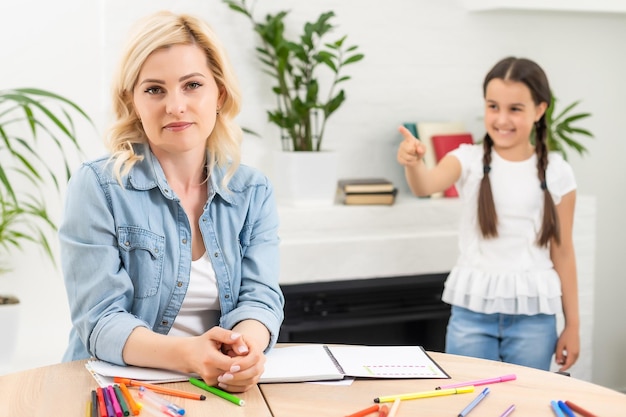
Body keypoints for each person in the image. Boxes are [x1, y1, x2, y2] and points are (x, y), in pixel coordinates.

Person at [60, 10, 284, 393]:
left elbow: (260, 297)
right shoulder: (97, 186)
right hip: (115, 392)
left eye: (192, 85)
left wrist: (246, 348)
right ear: (132, 102)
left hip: (219, 388)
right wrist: (191, 355)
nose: (175, 106)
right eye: (154, 89)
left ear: (220, 94)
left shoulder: (253, 191)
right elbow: (101, 321)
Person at [396, 56, 580, 372]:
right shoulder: (464, 159)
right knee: (469, 398)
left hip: (534, 318)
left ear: (539, 110)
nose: (501, 119)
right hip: (471, 314)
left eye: (515, 109)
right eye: (493, 106)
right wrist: (413, 163)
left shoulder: (558, 173)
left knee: (525, 403)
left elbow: (563, 252)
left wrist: (573, 326)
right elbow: (426, 185)